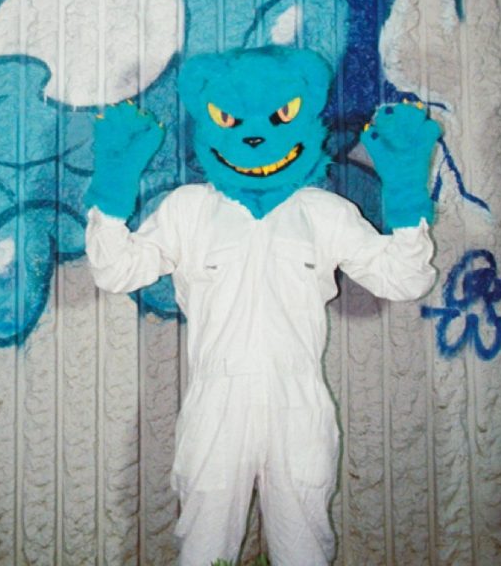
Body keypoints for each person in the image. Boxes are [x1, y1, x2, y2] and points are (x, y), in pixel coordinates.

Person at [83, 45, 442, 566]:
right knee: (204, 550)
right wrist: (111, 191)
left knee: (305, 551)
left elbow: (404, 279)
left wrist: (406, 194)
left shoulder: (324, 213)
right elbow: (116, 270)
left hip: (299, 404)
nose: (254, 138)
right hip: (215, 404)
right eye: (232, 120)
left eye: (278, 117)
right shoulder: (188, 211)